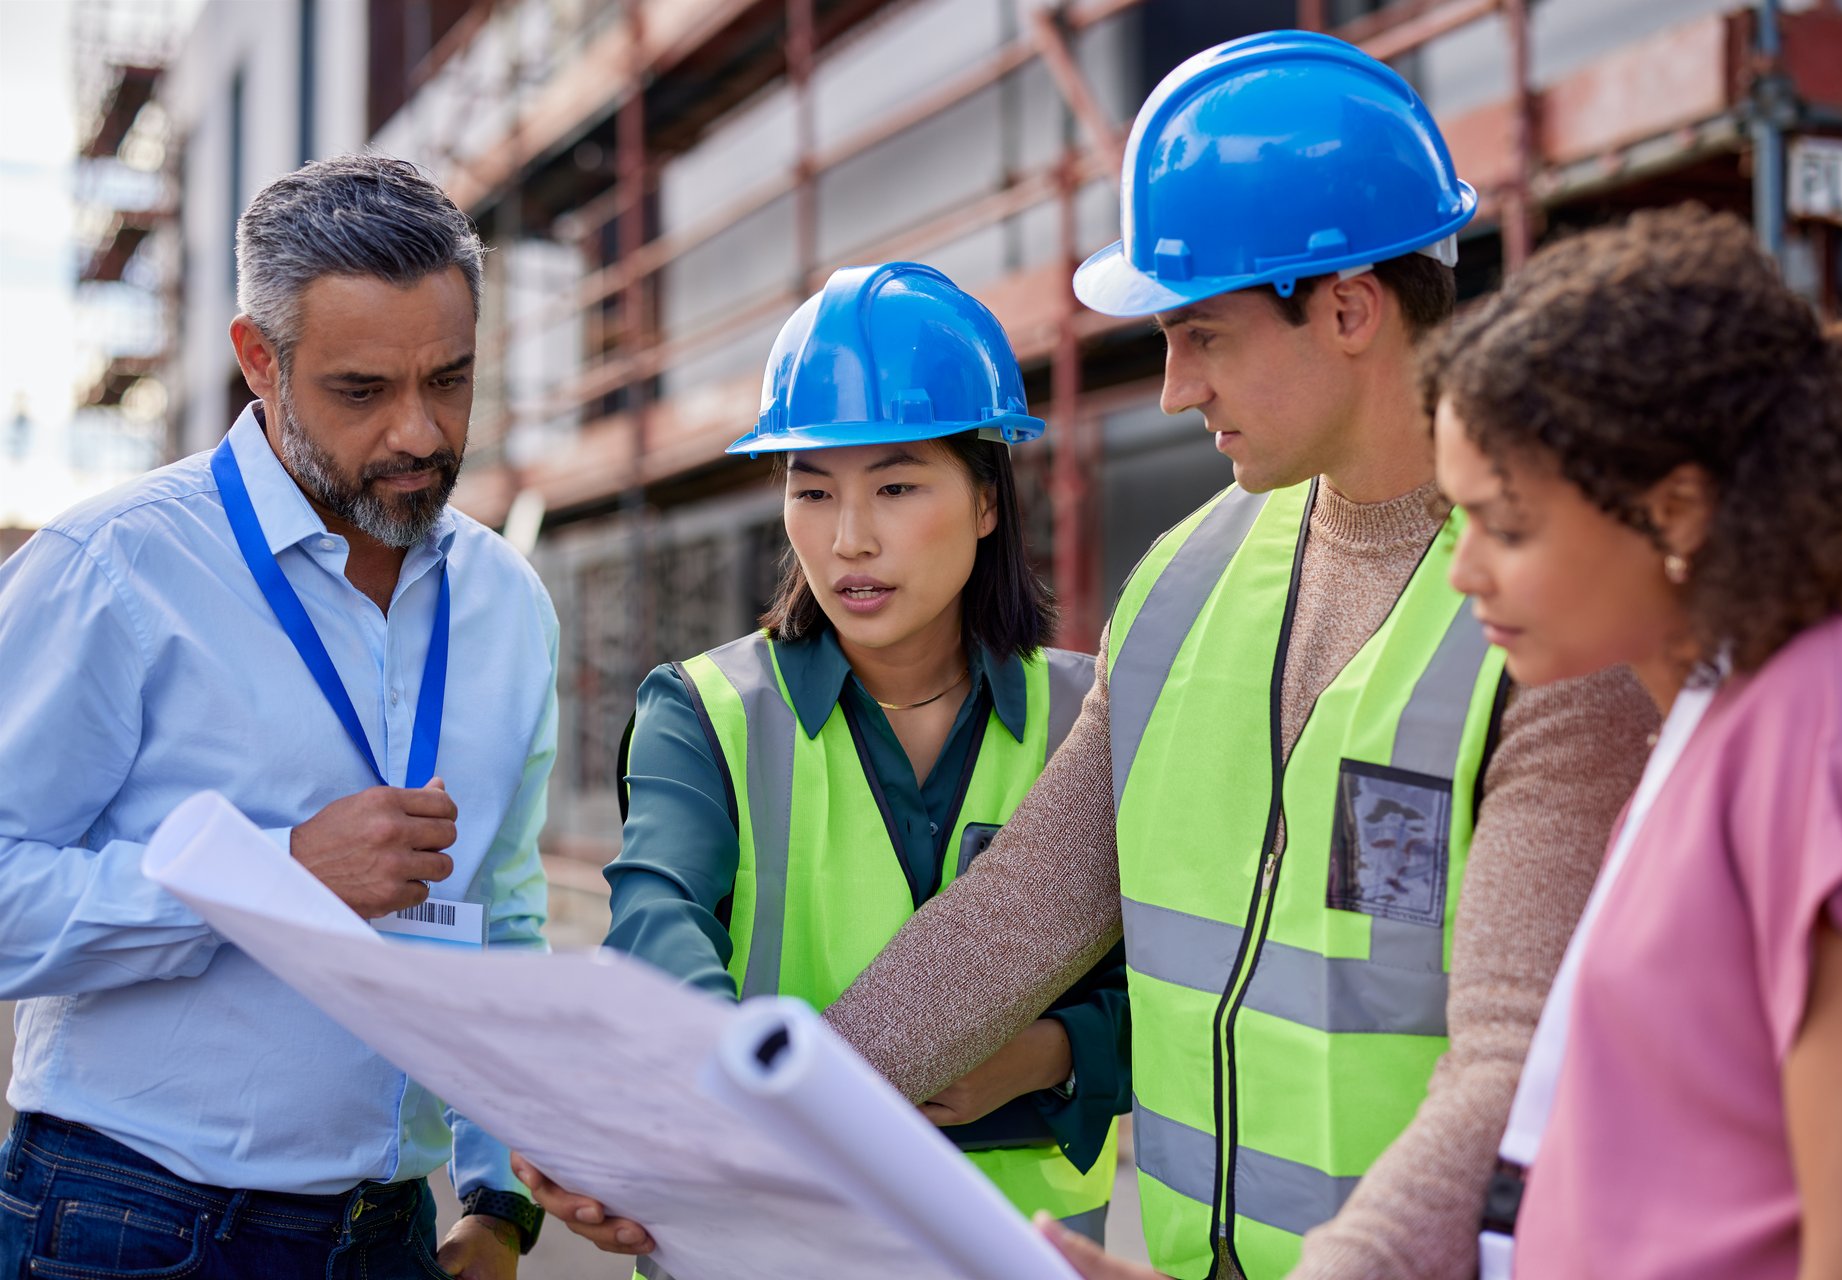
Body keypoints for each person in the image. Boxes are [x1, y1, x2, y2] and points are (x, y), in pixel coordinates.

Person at [548, 31, 1656, 1279]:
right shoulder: (1183, 585)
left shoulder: (1555, 620)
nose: (1174, 386)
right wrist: (705, 1143)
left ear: (1348, 307)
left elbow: (1511, 1065)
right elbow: (1012, 920)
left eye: (1204, 335)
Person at [0, 155, 555, 1278]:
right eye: (362, 390)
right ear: (260, 360)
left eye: (450, 379)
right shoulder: (112, 569)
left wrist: (501, 1196)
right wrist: (274, 875)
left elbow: (503, 909)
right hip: (134, 1222)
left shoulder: (508, 602)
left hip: (395, 1232)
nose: (418, 431)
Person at [515, 262, 1128, 1259]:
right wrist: (744, 1099)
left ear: (985, 499)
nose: (848, 539)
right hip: (761, 1246)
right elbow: (655, 931)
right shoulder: (705, 713)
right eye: (812, 490)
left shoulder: (1088, 714)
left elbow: (1190, 987)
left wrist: (1044, 1055)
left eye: (895, 485)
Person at [1426, 206, 1842, 1280]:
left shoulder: (1832, 708)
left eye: (1504, 524)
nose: (1464, 570)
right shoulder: (1715, 725)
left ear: (1679, 510)